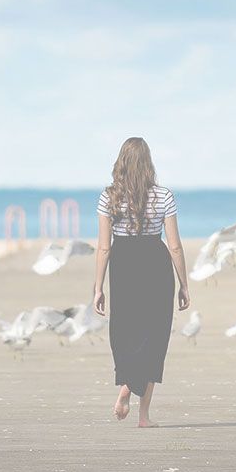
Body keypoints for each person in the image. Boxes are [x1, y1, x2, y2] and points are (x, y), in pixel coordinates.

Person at [91, 137, 190, 427]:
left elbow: (104, 247)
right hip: (155, 265)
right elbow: (175, 246)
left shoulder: (108, 197)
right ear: (148, 164)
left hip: (123, 267)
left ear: (120, 163)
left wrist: (98, 287)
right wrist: (184, 284)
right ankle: (143, 415)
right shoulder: (164, 196)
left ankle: (126, 387)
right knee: (155, 338)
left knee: (126, 333)